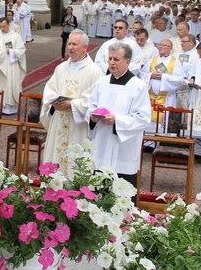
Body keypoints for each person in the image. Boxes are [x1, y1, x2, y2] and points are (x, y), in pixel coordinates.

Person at [86, 43, 151, 190]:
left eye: (116, 59)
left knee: (121, 195)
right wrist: (93, 118)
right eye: (109, 59)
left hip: (123, 149)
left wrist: (117, 120)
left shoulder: (138, 86)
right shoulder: (101, 83)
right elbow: (91, 106)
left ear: (127, 61)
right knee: (98, 192)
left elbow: (143, 118)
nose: (111, 63)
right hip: (101, 145)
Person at [41, 30, 101, 173]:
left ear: (85, 47)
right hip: (59, 120)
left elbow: (93, 99)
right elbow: (49, 90)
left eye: (75, 44)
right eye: (69, 44)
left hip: (78, 126)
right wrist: (54, 102)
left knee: (76, 165)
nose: (70, 47)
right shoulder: (60, 68)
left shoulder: (94, 71)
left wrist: (71, 104)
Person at [0, 17, 27, 115]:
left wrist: (10, 51)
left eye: (4, 26)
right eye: (0, 26)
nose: (2, 29)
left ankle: (10, 107)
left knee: (10, 84)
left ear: (8, 25)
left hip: (11, 65)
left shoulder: (15, 36)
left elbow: (21, 50)